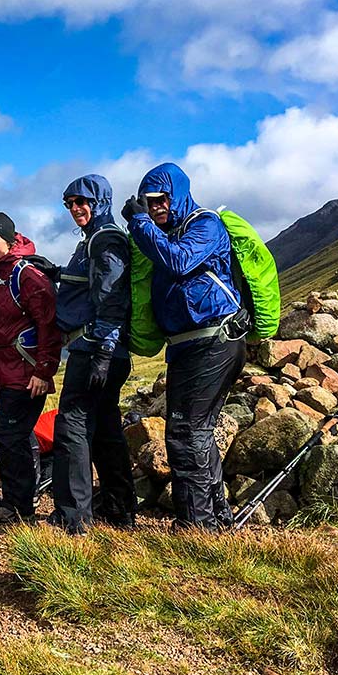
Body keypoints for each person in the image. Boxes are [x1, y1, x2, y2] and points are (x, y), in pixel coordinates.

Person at [122, 163, 250, 531]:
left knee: (184, 432)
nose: (156, 207)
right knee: (198, 432)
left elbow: (179, 262)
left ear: (176, 195)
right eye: (149, 203)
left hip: (214, 340)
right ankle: (215, 521)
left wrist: (140, 223)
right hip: (188, 344)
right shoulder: (166, 233)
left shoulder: (204, 224)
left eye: (162, 199)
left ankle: (197, 527)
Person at [51, 175, 137, 534]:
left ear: (100, 201)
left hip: (94, 349)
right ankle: (119, 511)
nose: (74, 209)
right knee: (103, 427)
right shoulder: (94, 240)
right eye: (69, 203)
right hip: (105, 350)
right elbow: (91, 285)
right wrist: (55, 273)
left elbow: (112, 296)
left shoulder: (105, 240)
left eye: (81, 202)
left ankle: (74, 518)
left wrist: (103, 349)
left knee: (72, 424)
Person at [0, 211, 61, 524]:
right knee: (13, 435)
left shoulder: (28, 277)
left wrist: (43, 372)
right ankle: (17, 499)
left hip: (28, 372)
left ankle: (19, 507)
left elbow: (49, 327)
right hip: (4, 370)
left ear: (9, 242)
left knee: (11, 435)